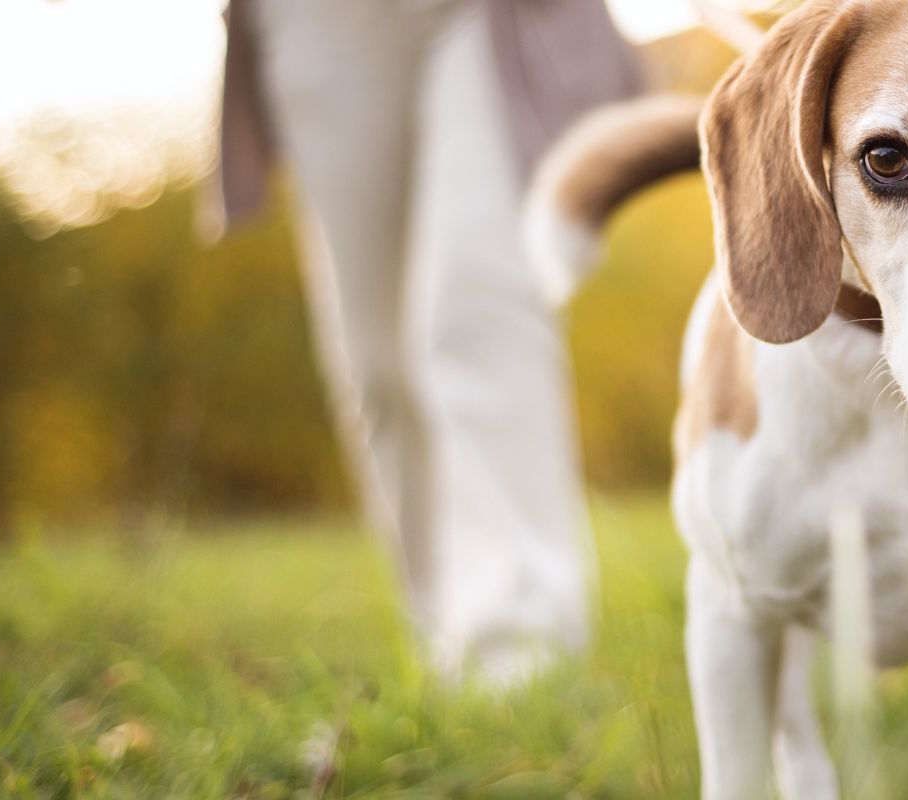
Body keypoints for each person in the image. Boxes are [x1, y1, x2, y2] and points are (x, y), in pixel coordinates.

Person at [207, 0, 642, 685]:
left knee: (474, 305)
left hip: (485, 15)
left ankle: (521, 654)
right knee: (378, 360)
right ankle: (445, 629)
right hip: (317, 21)